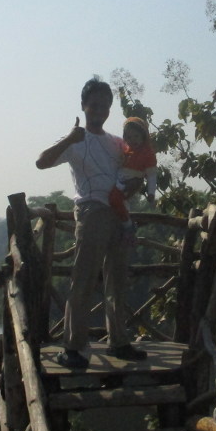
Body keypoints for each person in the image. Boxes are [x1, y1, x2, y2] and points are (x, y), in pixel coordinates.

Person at [35, 78, 147, 369]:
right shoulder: (76, 139)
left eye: (105, 105)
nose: (99, 110)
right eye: (94, 105)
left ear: (110, 109)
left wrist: (134, 186)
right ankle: (73, 347)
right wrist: (70, 139)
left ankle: (119, 342)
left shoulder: (115, 143)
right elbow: (42, 162)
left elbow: (132, 169)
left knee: (117, 281)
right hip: (91, 212)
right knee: (83, 280)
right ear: (84, 106)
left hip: (119, 214)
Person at [109, 116, 157, 244]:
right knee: (118, 203)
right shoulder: (126, 151)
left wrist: (151, 193)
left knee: (115, 199)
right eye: (129, 137)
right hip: (119, 179)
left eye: (136, 136)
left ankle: (128, 226)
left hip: (129, 181)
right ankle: (124, 226)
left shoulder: (148, 154)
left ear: (143, 136)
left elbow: (151, 175)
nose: (132, 140)